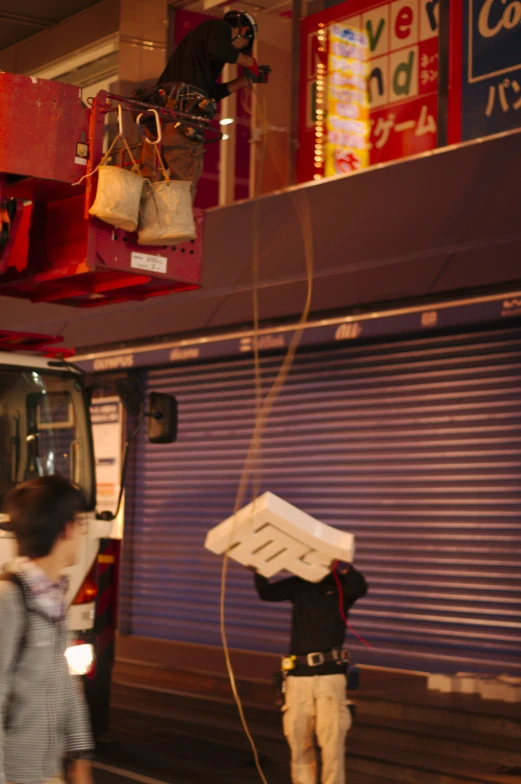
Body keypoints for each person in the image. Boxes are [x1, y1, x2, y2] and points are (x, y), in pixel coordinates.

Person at [0, 475, 94, 784]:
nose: (82, 533)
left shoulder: (51, 597)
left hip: (47, 770)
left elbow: (66, 684)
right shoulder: (9, 600)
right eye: (80, 525)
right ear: (66, 529)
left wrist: (80, 754)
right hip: (15, 774)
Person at [253, 561, 368, 784]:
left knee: (332, 744)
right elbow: (267, 593)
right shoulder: (298, 585)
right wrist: (259, 568)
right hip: (298, 677)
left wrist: (345, 568)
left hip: (330, 677)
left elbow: (360, 588)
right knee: (299, 743)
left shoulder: (342, 586)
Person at [139, 11, 270, 194]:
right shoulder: (219, 28)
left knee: (151, 174)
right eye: (244, 46)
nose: (239, 51)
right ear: (243, 30)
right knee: (183, 181)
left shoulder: (198, 59)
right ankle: (172, 220)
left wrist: (244, 80)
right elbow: (220, 50)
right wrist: (249, 62)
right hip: (181, 115)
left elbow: (211, 93)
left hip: (162, 112)